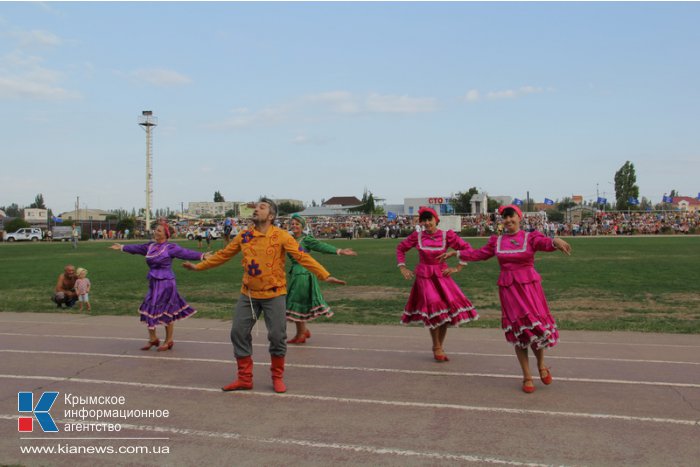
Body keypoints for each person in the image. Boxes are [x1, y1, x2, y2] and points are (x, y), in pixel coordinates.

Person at [183, 198, 346, 393]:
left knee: (277, 336)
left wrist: (325, 275)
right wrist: (198, 266)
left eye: (261, 207)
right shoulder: (244, 235)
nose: (256, 210)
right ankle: (244, 379)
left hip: (275, 294)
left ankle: (277, 377)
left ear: (271, 216)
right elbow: (223, 255)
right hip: (248, 295)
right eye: (256, 207)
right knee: (238, 333)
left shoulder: (282, 236)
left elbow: (303, 257)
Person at [443, 205, 572, 393]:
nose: (508, 220)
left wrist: (555, 241)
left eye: (512, 217)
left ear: (519, 218)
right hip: (509, 291)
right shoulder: (496, 241)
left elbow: (544, 244)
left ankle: (541, 364)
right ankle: (527, 375)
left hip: (529, 290)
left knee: (535, 329)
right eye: (505, 218)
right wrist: (458, 253)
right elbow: (480, 254)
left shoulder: (530, 237)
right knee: (519, 333)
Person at [396, 207, 478, 362]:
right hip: (425, 278)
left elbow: (467, 248)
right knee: (434, 309)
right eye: (424, 220)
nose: (427, 223)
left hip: (442, 276)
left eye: (429, 220)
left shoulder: (447, 236)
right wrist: (402, 267)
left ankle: (439, 345)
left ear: (436, 220)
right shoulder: (417, 236)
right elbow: (401, 248)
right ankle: (437, 346)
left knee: (446, 313)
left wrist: (458, 267)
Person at [110, 221, 207, 351]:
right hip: (154, 282)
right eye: (155, 230)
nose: (156, 232)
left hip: (166, 283)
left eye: (159, 231)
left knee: (167, 310)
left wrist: (202, 256)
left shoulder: (170, 247)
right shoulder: (150, 246)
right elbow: (136, 248)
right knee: (149, 308)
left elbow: (186, 253)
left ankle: (169, 340)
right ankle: (153, 338)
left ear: (166, 235)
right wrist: (122, 247)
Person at [286, 213, 357, 344]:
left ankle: (301, 333)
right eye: (293, 223)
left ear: (302, 226)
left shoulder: (306, 239)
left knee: (297, 302)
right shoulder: (289, 239)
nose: (294, 226)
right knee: (297, 303)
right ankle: (302, 332)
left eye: (297, 224)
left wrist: (339, 251)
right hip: (296, 273)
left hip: (304, 273)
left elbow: (321, 246)